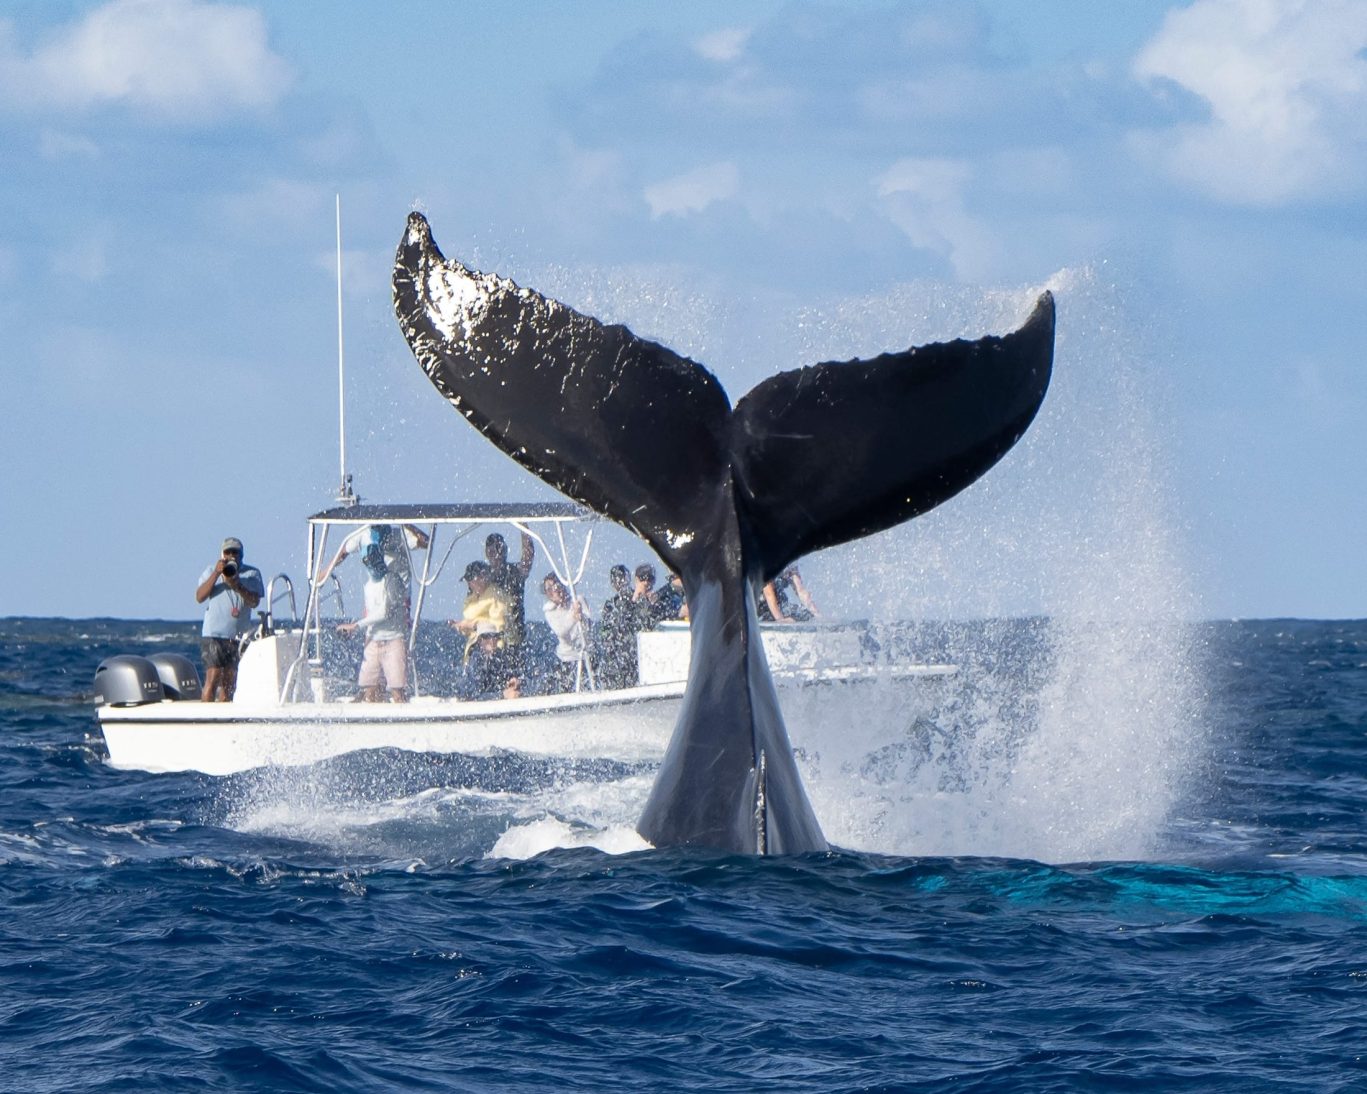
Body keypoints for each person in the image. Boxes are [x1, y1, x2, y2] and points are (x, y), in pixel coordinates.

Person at [195, 536, 265, 702]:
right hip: (214, 634)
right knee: (213, 676)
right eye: (228, 552)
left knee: (230, 681)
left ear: (242, 555)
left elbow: (254, 602)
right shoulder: (211, 571)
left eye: (235, 552)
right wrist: (217, 573)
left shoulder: (252, 574)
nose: (231, 556)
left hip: (238, 636)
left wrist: (237, 585)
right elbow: (199, 597)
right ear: (222, 554)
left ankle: (223, 712)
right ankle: (206, 712)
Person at [336, 545, 409, 702]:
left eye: (376, 560)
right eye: (369, 562)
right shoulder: (368, 586)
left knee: (397, 690)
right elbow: (370, 612)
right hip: (373, 641)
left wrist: (356, 626)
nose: (374, 565)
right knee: (369, 690)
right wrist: (356, 628)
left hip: (393, 640)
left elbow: (386, 612)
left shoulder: (392, 580)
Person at [318, 523, 429, 585]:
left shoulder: (397, 536)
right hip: (376, 587)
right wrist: (323, 574)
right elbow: (342, 552)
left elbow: (426, 542)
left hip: (401, 587)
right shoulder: (362, 535)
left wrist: (406, 522)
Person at [484, 531, 534, 655]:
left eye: (500, 549)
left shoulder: (514, 572)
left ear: (505, 551)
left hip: (514, 641)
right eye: (492, 551)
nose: (497, 554)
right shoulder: (482, 578)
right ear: (487, 553)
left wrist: (523, 527)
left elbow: (528, 558)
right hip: (489, 641)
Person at [449, 560, 510, 662]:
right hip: (475, 650)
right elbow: (470, 627)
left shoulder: (496, 597)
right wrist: (460, 626)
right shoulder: (471, 599)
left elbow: (498, 628)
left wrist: (473, 625)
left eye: (471, 579)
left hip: (491, 652)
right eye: (467, 580)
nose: (469, 583)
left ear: (483, 577)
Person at [541, 573, 592, 692]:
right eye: (549, 589)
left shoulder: (578, 600)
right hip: (566, 659)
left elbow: (588, 626)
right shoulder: (549, 611)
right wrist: (573, 616)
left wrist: (581, 616)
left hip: (585, 656)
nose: (554, 590)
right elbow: (561, 631)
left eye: (556, 586)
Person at [595, 563, 639, 689]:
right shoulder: (610, 605)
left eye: (621, 578)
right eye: (616, 579)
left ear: (627, 579)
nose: (619, 582)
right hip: (616, 654)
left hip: (633, 650)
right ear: (612, 583)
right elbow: (604, 631)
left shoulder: (636, 598)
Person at [454, 622, 521, 700]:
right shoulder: (475, 659)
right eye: (487, 636)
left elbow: (508, 673)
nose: (492, 640)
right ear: (480, 640)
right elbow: (474, 694)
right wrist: (502, 695)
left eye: (495, 636)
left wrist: (513, 681)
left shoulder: (499, 656)